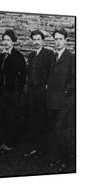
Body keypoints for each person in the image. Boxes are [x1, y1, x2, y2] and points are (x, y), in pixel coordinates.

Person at [47, 28, 75, 171]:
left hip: (65, 102)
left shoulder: (71, 57)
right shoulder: (53, 56)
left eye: (60, 39)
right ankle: (56, 157)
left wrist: (65, 93)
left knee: (62, 130)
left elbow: (74, 80)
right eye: (55, 39)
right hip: (52, 100)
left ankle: (65, 160)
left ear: (66, 40)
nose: (57, 42)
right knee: (54, 130)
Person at [23, 30, 55, 157]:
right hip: (32, 92)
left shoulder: (48, 54)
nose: (36, 42)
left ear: (43, 41)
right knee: (34, 118)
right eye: (34, 39)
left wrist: (47, 86)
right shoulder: (31, 55)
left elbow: (52, 72)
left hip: (43, 92)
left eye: (38, 39)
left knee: (43, 119)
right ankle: (35, 147)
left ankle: (44, 148)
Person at [0, 29, 26, 151]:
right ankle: (2, 142)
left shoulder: (18, 56)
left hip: (12, 92)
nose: (6, 42)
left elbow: (22, 76)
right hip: (2, 92)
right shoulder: (2, 55)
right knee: (1, 117)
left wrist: (18, 92)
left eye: (9, 40)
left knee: (11, 117)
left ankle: (9, 143)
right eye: (5, 40)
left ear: (13, 42)